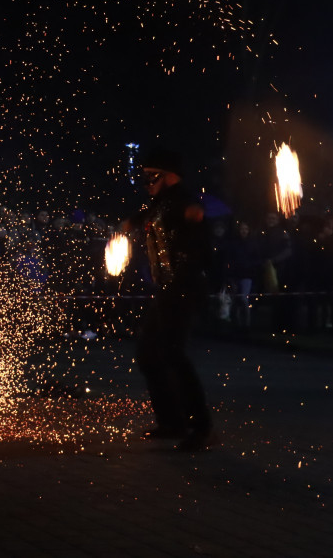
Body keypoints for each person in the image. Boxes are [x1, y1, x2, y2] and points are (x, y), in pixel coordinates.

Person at [122, 147, 215, 451]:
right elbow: (150, 213)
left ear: (170, 175)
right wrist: (131, 223)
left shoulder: (185, 202)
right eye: (145, 175)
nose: (146, 180)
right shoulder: (159, 203)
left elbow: (196, 226)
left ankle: (201, 428)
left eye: (152, 175)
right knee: (149, 353)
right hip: (167, 288)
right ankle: (172, 421)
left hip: (184, 287)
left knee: (174, 353)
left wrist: (194, 220)